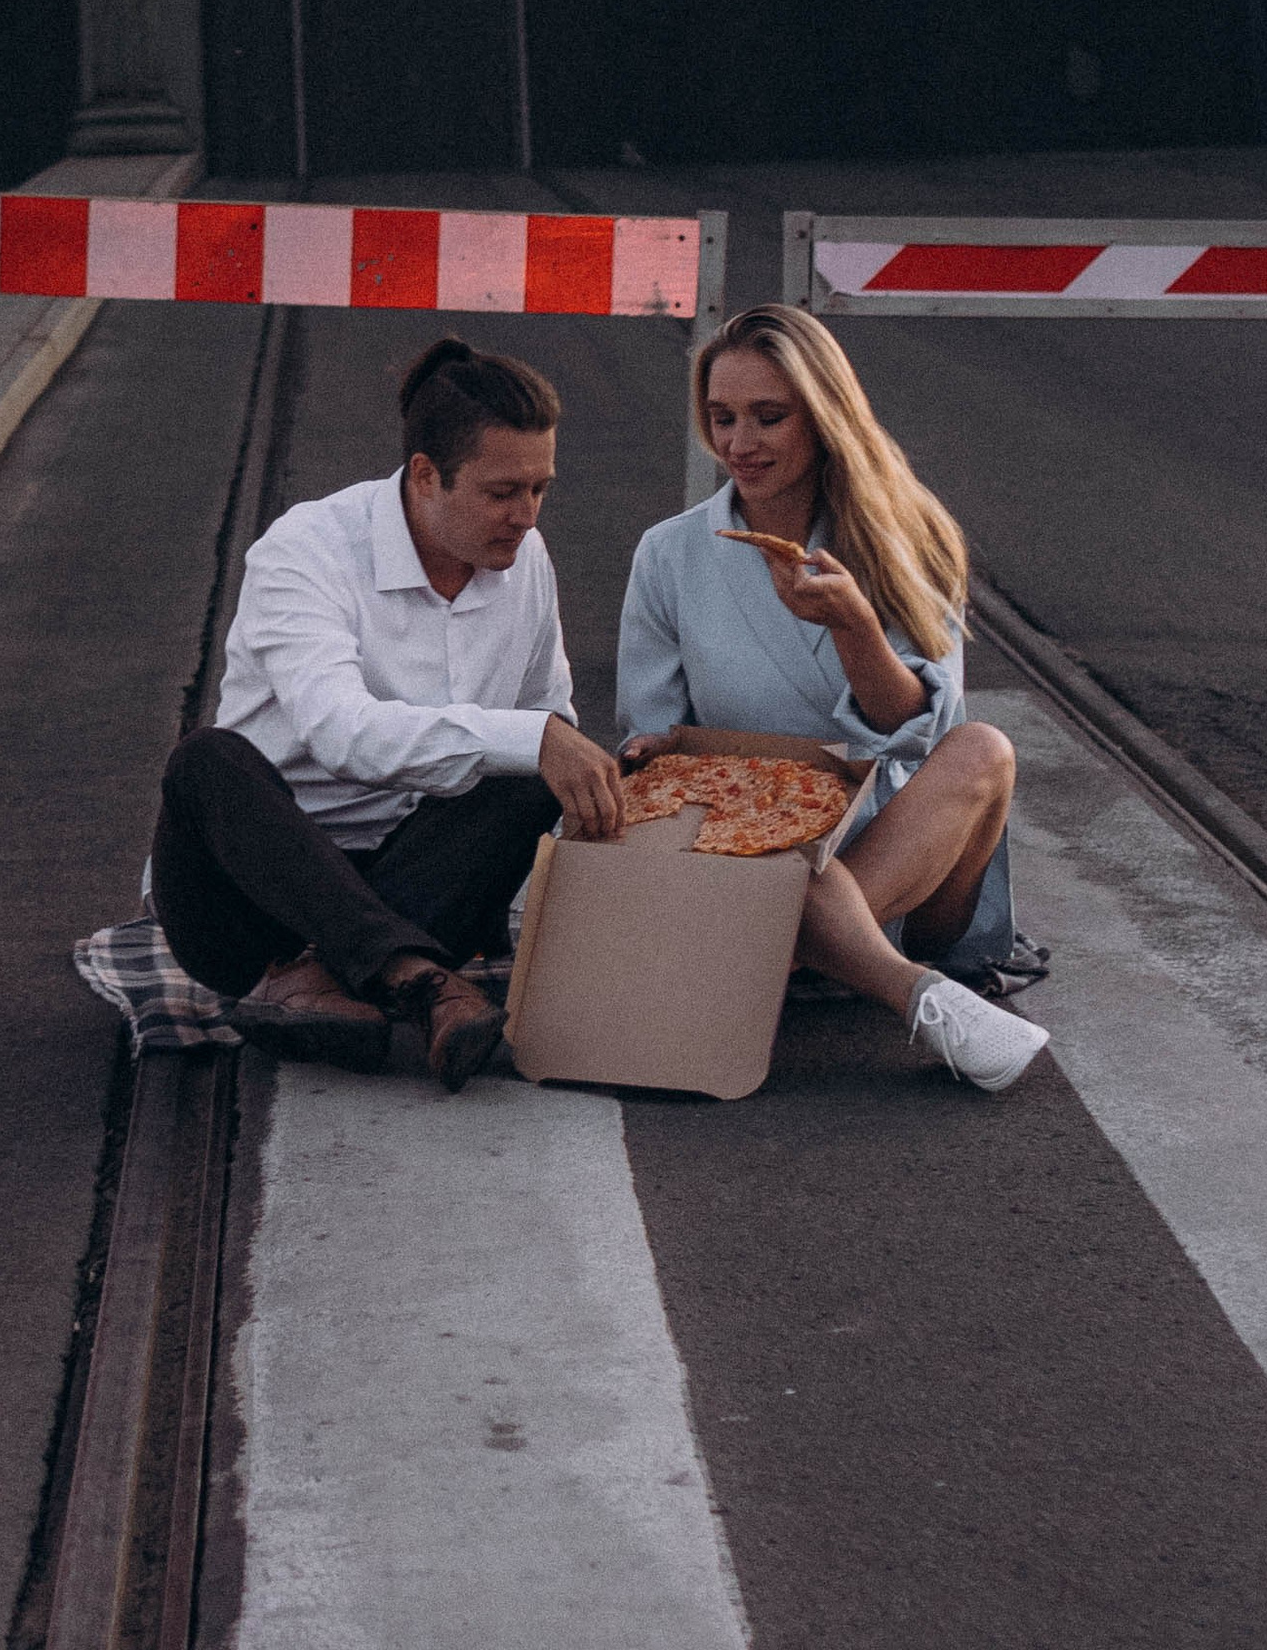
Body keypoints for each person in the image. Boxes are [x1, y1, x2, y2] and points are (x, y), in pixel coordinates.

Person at [152, 336, 626, 1090]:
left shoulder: (524, 557)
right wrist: (532, 737)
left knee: (537, 762)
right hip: (260, 900)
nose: (526, 516)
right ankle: (414, 977)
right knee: (206, 760)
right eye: (502, 492)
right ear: (426, 476)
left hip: (417, 888)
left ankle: (336, 982)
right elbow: (341, 733)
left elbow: (545, 718)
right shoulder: (305, 550)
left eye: (540, 489)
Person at [617, 302, 1049, 1093]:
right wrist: (649, 750)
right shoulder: (669, 554)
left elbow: (922, 734)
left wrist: (857, 628)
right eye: (721, 418)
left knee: (985, 748)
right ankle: (912, 994)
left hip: (895, 861)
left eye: (769, 417)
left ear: (823, 417)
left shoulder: (905, 536)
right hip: (743, 851)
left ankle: (771, 961)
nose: (739, 445)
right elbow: (655, 733)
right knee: (786, 865)